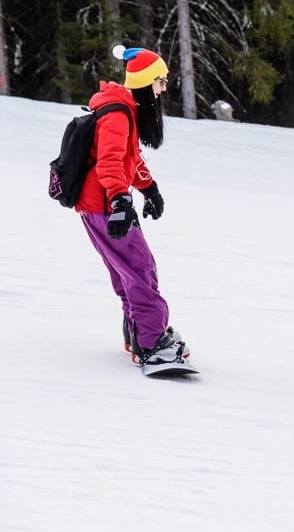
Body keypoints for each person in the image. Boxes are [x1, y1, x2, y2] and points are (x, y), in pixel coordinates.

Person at [75, 44, 190, 370]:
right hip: (105, 204)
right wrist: (121, 201)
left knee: (128, 269)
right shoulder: (117, 113)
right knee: (140, 268)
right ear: (145, 81)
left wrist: (149, 189)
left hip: (98, 204)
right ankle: (152, 344)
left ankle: (139, 332)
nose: (164, 88)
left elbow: (130, 158)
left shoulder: (123, 108)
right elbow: (110, 162)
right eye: (160, 81)